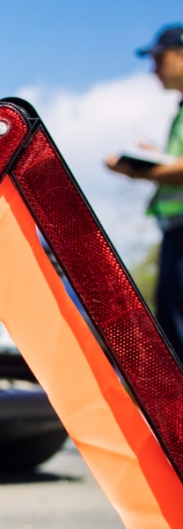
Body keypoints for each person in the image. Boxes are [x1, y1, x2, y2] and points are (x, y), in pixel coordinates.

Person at [108, 25, 183, 359]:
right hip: (175, 230)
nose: (153, 69)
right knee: (171, 321)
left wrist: (138, 170)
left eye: (159, 58)